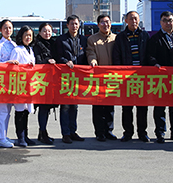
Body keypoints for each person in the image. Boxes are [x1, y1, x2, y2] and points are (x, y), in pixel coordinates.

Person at [112, 11, 151, 142]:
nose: (134, 21)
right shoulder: (121, 37)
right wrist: (120, 73)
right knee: (127, 107)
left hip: (142, 78)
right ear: (126, 21)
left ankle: (142, 133)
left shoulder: (145, 35)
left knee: (142, 107)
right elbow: (116, 56)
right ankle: (128, 133)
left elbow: (149, 54)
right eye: (131, 19)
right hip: (126, 78)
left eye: (136, 19)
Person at [146, 11, 173, 143]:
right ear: (160, 22)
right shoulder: (155, 38)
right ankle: (160, 132)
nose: (168, 23)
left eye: (170, 20)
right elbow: (149, 56)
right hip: (160, 77)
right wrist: (155, 64)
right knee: (160, 107)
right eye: (165, 20)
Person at [53, 14, 87, 143]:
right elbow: (57, 56)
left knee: (75, 106)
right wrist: (65, 61)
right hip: (65, 77)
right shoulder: (61, 40)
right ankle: (65, 133)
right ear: (67, 25)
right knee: (66, 106)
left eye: (76, 23)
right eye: (72, 23)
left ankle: (73, 131)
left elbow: (86, 56)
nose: (74, 26)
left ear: (79, 25)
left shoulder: (83, 40)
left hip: (78, 78)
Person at [86, 14, 117, 142]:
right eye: (102, 22)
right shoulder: (92, 39)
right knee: (98, 106)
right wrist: (93, 61)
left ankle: (109, 131)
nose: (105, 25)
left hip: (112, 78)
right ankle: (99, 132)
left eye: (107, 22)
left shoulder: (116, 38)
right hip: (98, 77)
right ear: (98, 25)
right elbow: (90, 52)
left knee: (110, 107)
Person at [9, 25, 37, 147]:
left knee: (26, 111)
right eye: (26, 35)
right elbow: (12, 68)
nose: (28, 37)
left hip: (29, 85)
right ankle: (20, 137)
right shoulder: (17, 50)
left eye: (30, 35)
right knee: (20, 111)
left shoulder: (30, 49)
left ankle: (26, 135)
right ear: (21, 36)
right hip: (20, 85)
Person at [0, 19, 18, 148]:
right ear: (1, 30)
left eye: (10, 28)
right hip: (2, 81)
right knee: (2, 110)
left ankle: (4, 134)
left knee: (8, 110)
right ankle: (0, 137)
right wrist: (8, 63)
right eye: (5, 28)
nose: (8, 30)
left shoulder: (14, 44)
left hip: (12, 82)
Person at [32, 22, 57, 145]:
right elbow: (37, 62)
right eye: (44, 31)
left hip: (52, 81)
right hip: (41, 81)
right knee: (43, 107)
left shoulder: (54, 44)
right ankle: (42, 132)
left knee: (47, 108)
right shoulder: (36, 45)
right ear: (40, 32)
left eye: (49, 31)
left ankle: (43, 132)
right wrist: (47, 61)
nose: (47, 33)